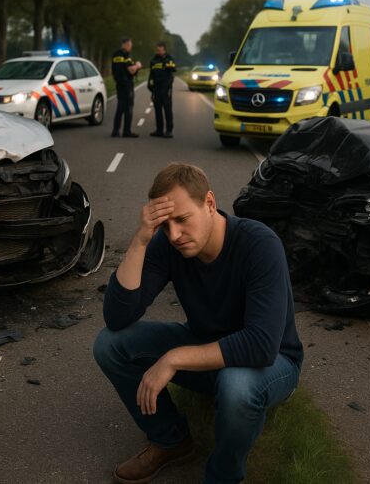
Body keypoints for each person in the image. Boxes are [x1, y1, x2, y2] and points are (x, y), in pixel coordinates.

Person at [93, 163, 304, 484]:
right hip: (205, 346)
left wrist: (174, 358)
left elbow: (261, 346)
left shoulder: (259, 244)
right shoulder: (168, 243)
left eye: (181, 220)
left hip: (274, 363)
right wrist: (140, 241)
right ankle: (171, 440)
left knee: (237, 385)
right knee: (110, 344)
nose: (174, 235)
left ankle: (222, 476)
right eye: (165, 225)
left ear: (208, 203)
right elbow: (118, 317)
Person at [112, 36, 143, 138]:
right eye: (130, 45)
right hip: (127, 85)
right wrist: (138, 66)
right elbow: (131, 70)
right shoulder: (126, 56)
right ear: (126, 44)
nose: (131, 47)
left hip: (119, 84)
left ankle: (116, 131)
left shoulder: (115, 55)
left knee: (120, 108)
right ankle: (127, 131)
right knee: (128, 108)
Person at [148, 41, 177, 138]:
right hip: (156, 88)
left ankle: (169, 130)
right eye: (157, 50)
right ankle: (159, 130)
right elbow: (151, 74)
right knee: (157, 109)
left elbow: (173, 69)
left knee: (167, 109)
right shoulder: (154, 60)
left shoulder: (169, 59)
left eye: (160, 50)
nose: (158, 51)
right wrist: (150, 87)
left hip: (166, 87)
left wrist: (167, 63)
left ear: (164, 49)